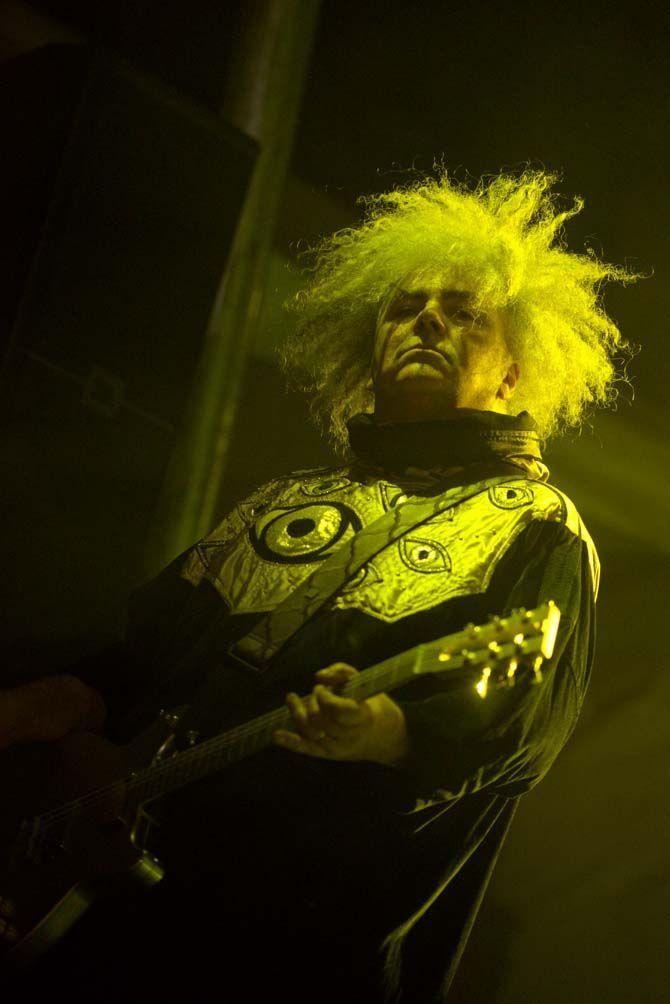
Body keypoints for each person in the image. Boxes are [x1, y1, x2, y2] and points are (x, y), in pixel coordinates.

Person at [0, 166, 644, 1002]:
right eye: (404, 308)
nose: (426, 323)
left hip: (294, 950)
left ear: (515, 373)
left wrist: (381, 731)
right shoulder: (289, 500)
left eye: (463, 314)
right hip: (120, 902)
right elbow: (140, 657)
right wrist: (48, 701)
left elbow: (519, 731)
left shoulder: (538, 525)